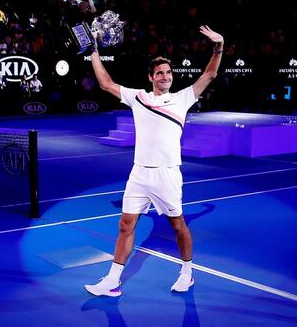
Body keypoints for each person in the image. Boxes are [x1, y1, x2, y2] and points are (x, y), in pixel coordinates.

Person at [85, 25, 224, 297]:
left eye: (168, 72)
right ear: (151, 77)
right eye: (160, 72)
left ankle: (187, 273)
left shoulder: (183, 98)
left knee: (178, 225)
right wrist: (93, 53)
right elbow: (105, 83)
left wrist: (219, 46)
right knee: (125, 225)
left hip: (167, 175)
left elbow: (210, 74)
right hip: (139, 174)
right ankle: (111, 281)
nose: (165, 76)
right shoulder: (138, 97)